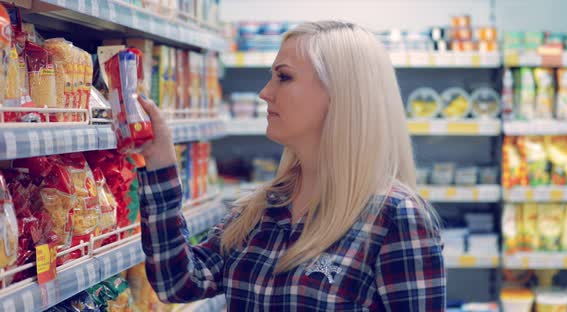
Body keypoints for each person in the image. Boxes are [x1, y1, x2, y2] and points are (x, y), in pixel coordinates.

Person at [137, 21, 446, 311]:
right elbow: (177, 283)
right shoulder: (262, 209)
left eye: (283, 77)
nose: (264, 93)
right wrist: (161, 164)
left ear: (339, 93)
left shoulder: (396, 217)